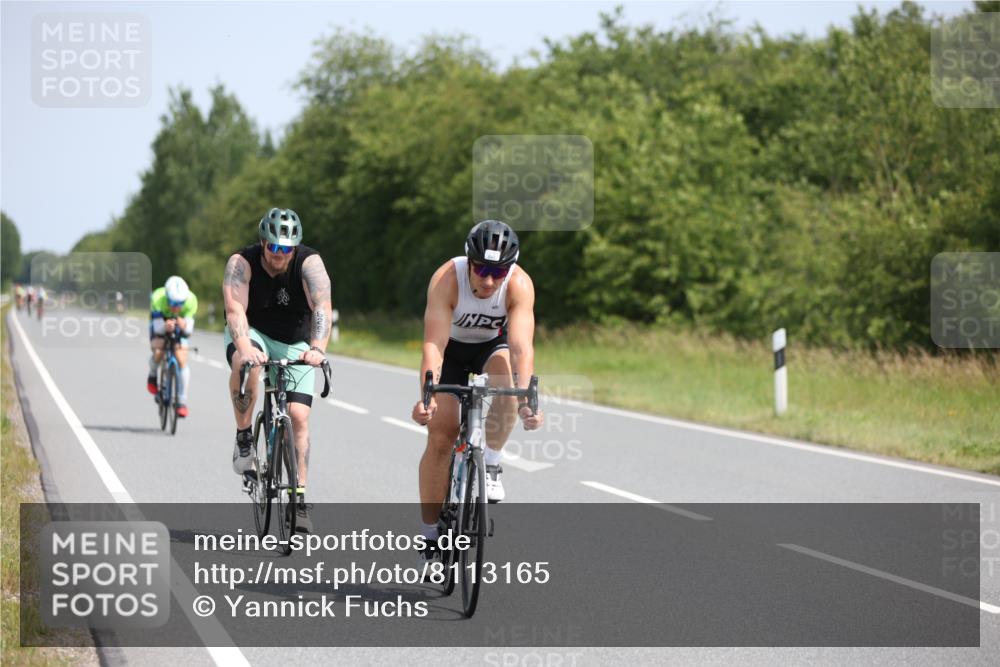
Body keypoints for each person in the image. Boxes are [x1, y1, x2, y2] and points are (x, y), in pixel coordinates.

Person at [410, 220, 543, 558]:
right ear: (469, 261)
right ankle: (429, 534)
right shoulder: (447, 279)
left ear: (509, 270)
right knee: (442, 434)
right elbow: (433, 345)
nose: (487, 280)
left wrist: (528, 398)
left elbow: (521, 348)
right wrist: (426, 397)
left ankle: (492, 463)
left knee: (507, 386)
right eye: (481, 269)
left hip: (490, 347)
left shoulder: (519, 285)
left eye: (497, 273)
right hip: (450, 350)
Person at [221, 207, 332, 534]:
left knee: (298, 415)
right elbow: (235, 309)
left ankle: (298, 499)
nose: (280, 254)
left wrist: (317, 349)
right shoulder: (241, 263)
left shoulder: (310, 264)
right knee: (247, 366)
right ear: (263, 243)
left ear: (295, 247)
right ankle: (244, 438)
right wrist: (245, 349)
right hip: (253, 332)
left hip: (296, 339)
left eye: (286, 248)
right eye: (273, 247)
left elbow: (322, 308)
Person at [146, 276, 199, 417]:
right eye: (172, 303)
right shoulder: (158, 297)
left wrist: (184, 326)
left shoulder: (191, 301)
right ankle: (152, 375)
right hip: (160, 324)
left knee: (182, 359)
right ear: (167, 297)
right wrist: (165, 326)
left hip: (177, 327)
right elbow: (157, 329)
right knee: (159, 349)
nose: (176, 307)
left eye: (180, 304)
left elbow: (188, 332)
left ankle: (181, 401)